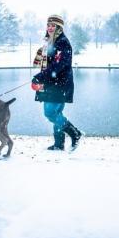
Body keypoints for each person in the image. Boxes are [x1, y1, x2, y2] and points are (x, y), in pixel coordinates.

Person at [31, 14, 82, 150]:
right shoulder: (49, 42)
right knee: (56, 114)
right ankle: (59, 144)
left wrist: (40, 77)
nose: (50, 28)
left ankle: (74, 133)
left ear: (59, 27)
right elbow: (48, 64)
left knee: (50, 113)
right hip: (52, 83)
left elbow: (58, 66)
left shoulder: (62, 42)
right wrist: (42, 76)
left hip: (59, 84)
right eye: (48, 25)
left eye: (53, 25)